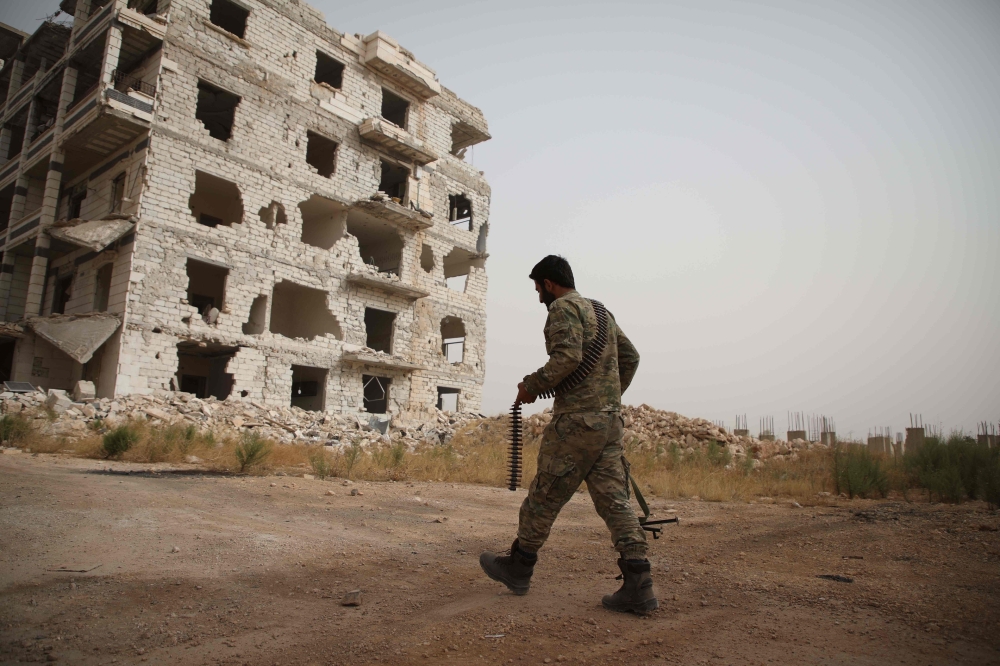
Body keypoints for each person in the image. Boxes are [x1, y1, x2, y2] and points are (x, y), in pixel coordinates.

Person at [479, 255, 657, 614]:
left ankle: (519, 566)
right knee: (615, 501)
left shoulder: (562, 308)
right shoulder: (602, 311)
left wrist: (532, 386)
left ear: (548, 283)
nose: (539, 297)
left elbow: (568, 358)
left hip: (576, 423)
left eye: (538, 289)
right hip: (608, 424)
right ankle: (639, 583)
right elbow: (631, 357)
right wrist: (608, 398)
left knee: (545, 494)